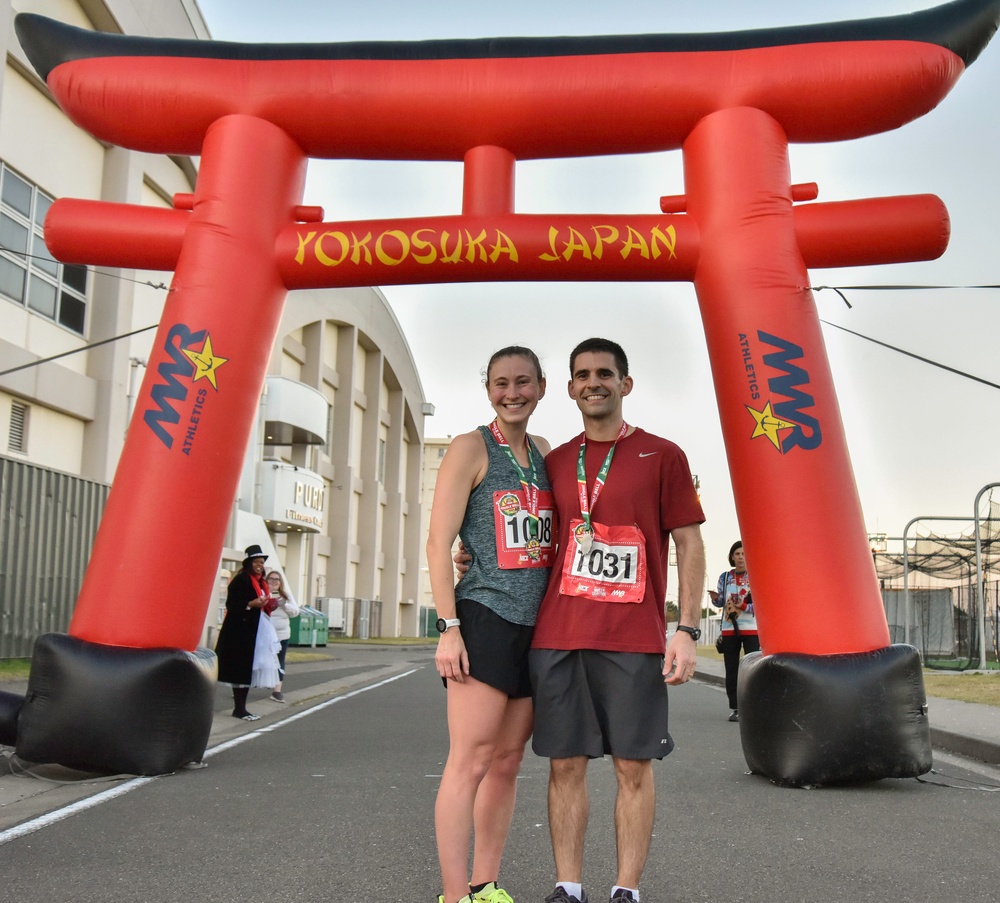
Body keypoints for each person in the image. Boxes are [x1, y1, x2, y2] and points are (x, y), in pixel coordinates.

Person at [529, 337, 706, 903]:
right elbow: (535, 541)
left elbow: (690, 543)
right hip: (559, 634)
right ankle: (568, 886)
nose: (593, 382)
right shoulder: (555, 461)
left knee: (633, 767)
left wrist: (686, 628)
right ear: (570, 387)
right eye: (582, 374)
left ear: (625, 384)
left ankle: (626, 890)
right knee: (565, 766)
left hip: (632, 638)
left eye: (604, 373)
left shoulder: (664, 454)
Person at [427, 346, 554, 903]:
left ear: (542, 387)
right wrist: (448, 626)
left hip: (538, 626)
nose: (512, 392)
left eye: (522, 382)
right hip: (483, 616)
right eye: (501, 383)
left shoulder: (548, 453)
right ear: (488, 391)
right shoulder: (469, 447)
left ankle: (486, 885)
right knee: (471, 760)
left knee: (506, 762)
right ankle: (455, 896)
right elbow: (439, 543)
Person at [215, 544, 282, 721]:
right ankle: (239, 708)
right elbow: (232, 604)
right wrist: (251, 604)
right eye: (257, 562)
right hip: (240, 631)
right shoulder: (241, 580)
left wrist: (269, 603)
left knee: (248, 669)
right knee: (241, 669)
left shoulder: (260, 582)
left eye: (262, 562)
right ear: (249, 563)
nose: (260, 565)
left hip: (255, 629)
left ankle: (241, 708)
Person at [708, 540, 758, 722]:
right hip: (730, 629)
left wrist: (743, 605)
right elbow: (721, 602)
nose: (740, 557)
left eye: (744, 554)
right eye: (737, 554)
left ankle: (753, 706)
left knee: (753, 670)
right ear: (731, 556)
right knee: (731, 669)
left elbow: (760, 605)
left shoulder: (756, 576)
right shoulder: (725, 577)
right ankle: (735, 708)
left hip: (752, 629)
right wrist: (715, 599)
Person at [265, 570, 300, 703]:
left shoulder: (285, 595)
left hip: (282, 634)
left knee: (280, 661)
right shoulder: (262, 593)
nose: (274, 581)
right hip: (265, 633)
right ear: (266, 580)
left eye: (277, 579)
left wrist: (284, 604)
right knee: (258, 660)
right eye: (271, 579)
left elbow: (295, 612)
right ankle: (245, 686)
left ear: (281, 582)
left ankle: (277, 690)